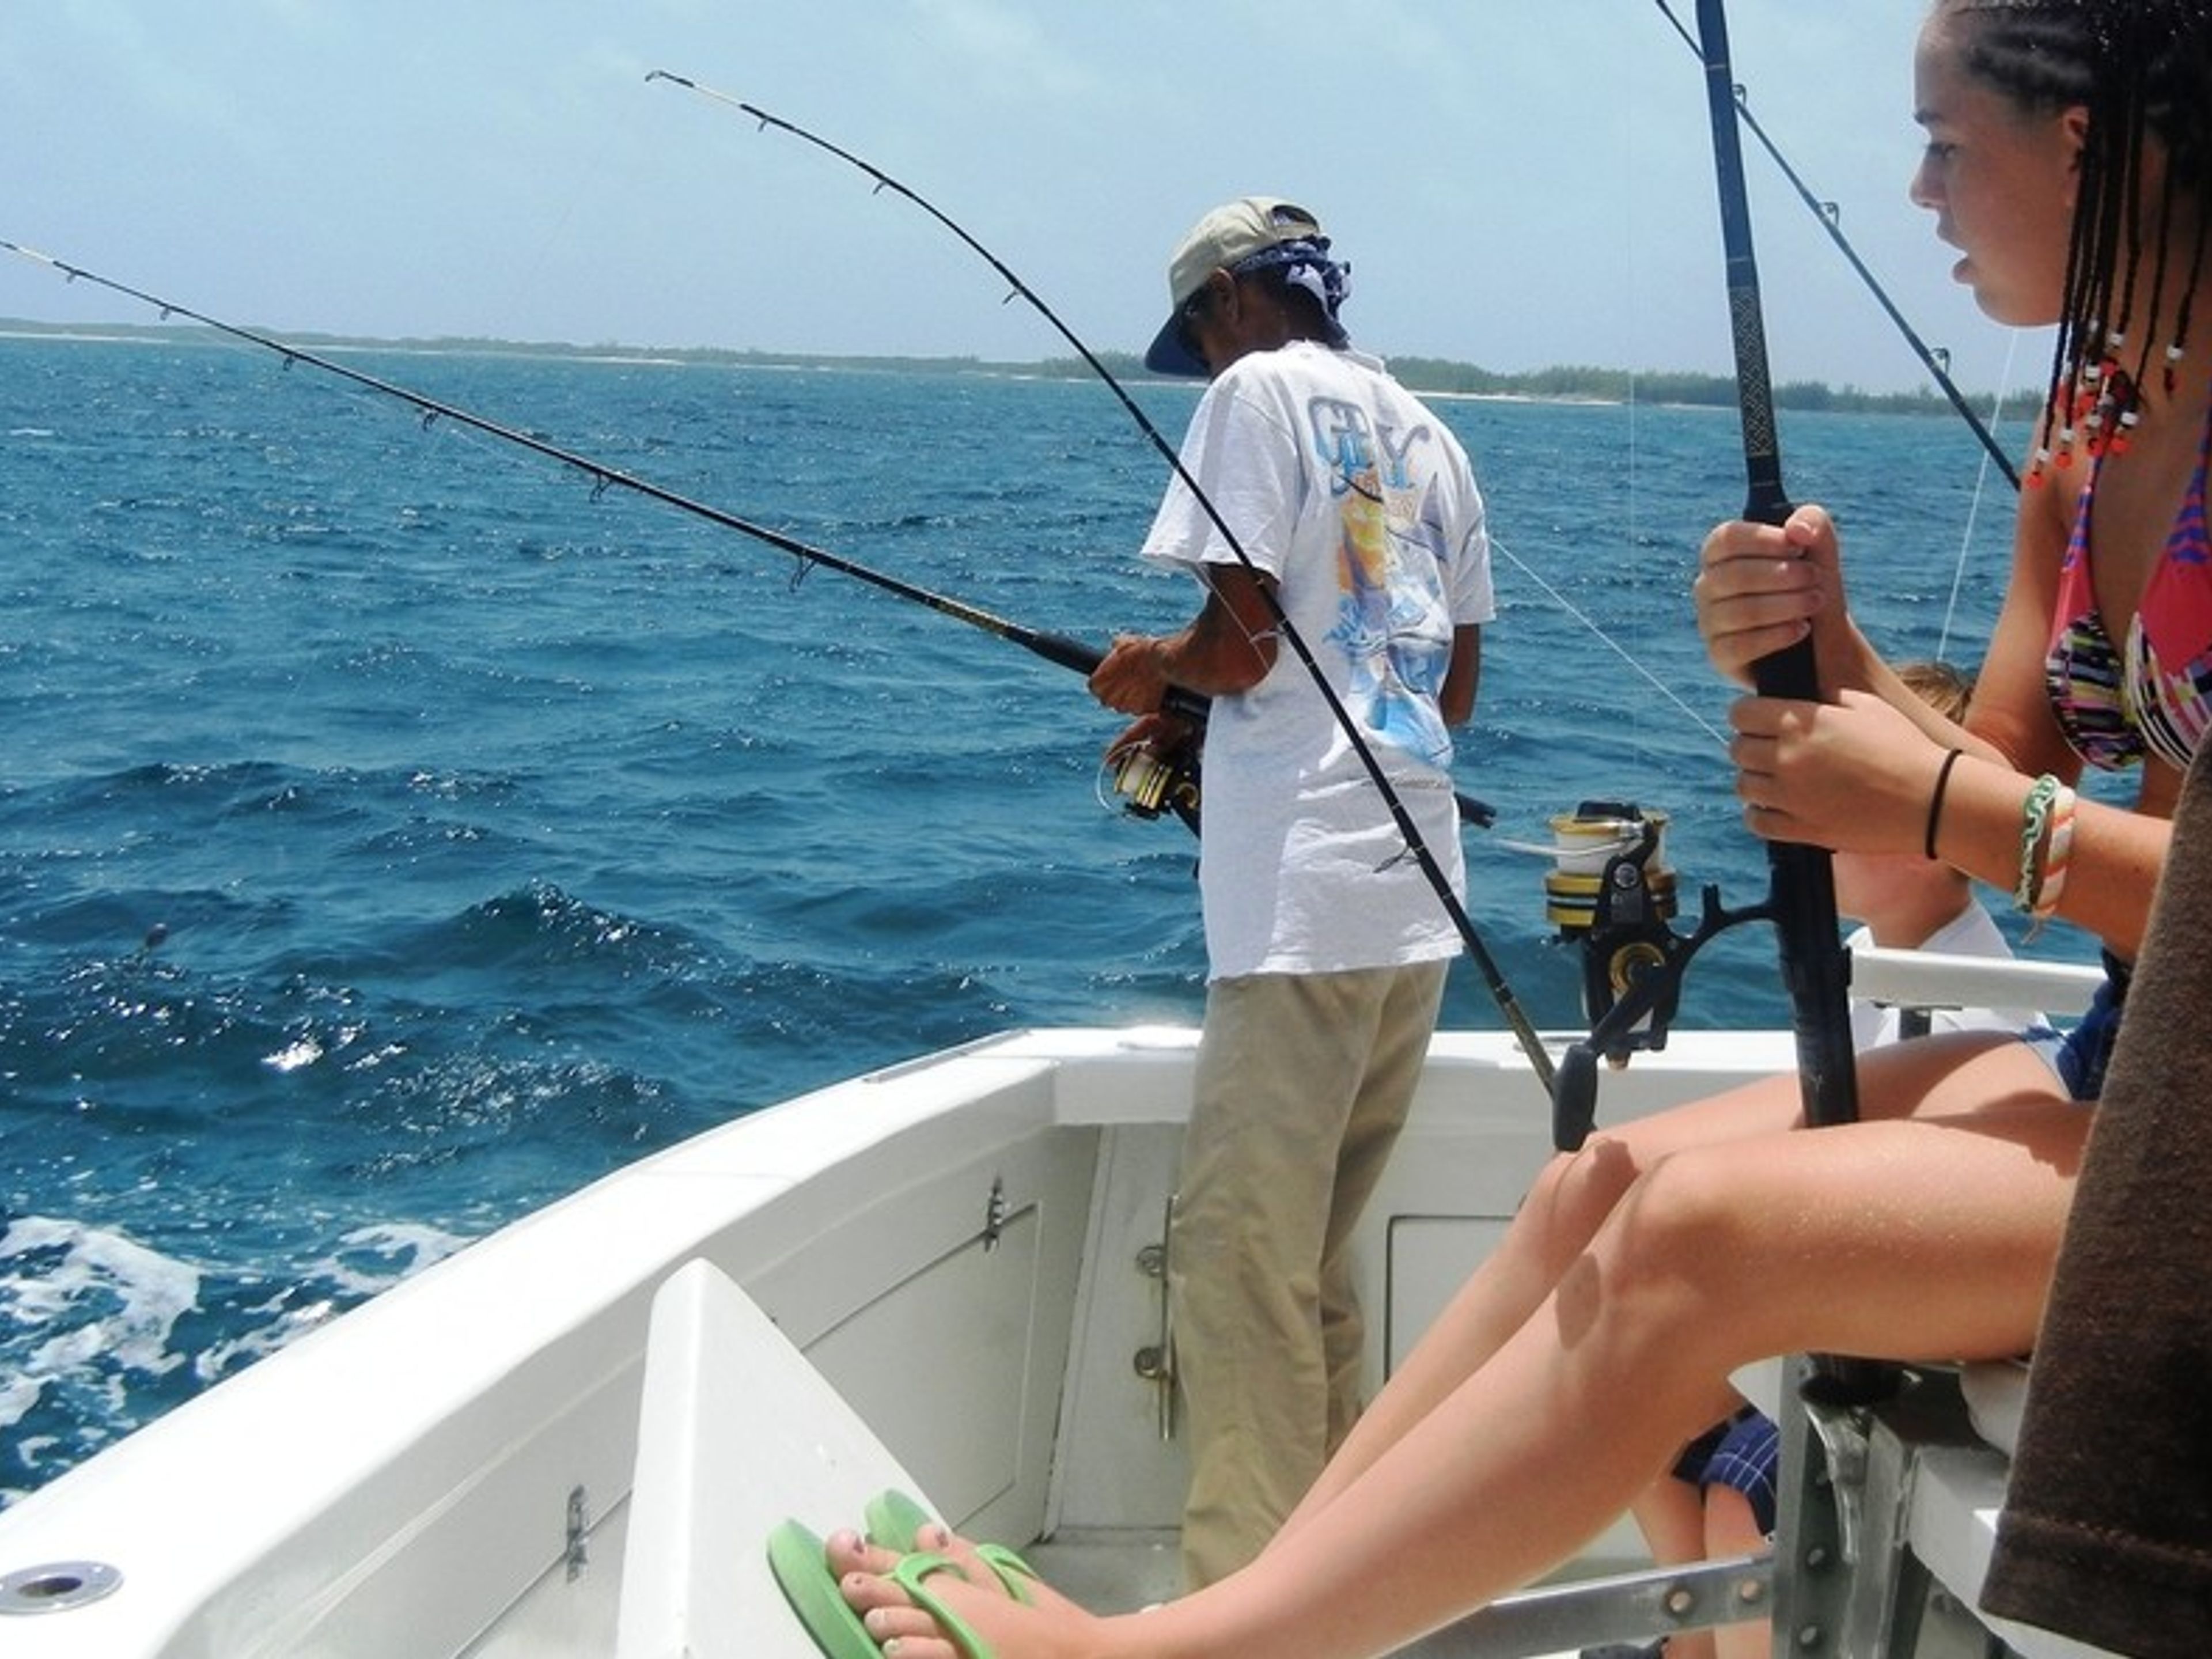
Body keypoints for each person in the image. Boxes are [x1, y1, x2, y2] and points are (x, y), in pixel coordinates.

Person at [782, 5, 2212, 1655]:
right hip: (2126, 1072)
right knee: (1600, 1182)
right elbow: (1965, 822)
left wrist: (1939, 798)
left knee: (1692, 1241)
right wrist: (1835, 655)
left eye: (1944, 144)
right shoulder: (2090, 438)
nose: (1918, 193)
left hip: (2179, 1159)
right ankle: (1258, 1614)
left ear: (2083, 145)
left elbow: (1978, 812)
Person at [1084, 195, 1495, 1588]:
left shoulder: (1253, 393)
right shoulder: (1432, 434)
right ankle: (1337, 1578)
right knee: (1308, 1267)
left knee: (1236, 1268)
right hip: (1416, 898)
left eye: (1199, 336)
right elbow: (1448, 691)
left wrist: (1158, 667)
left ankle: (1243, 1600)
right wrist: (1207, 711)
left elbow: (1246, 644)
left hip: (1305, 898)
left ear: (1228, 303)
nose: (1204, 363)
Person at [1595, 658, 2043, 1659]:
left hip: (1888, 1345)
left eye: (1848, 796)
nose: (1813, 818)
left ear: (1932, 836)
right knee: (1626, 1419)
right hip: (1821, 1317)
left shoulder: (1974, 1008)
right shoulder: (1876, 971)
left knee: (1735, 1496)